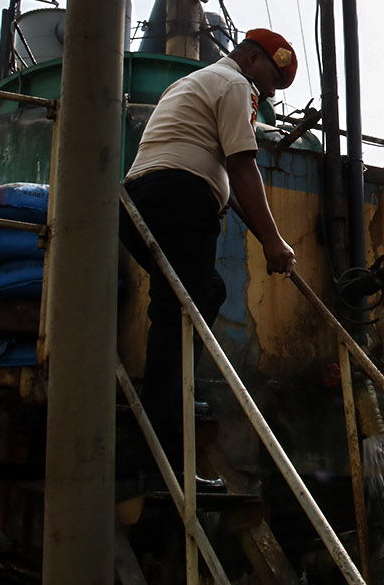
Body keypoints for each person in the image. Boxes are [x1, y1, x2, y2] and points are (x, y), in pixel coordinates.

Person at [118, 27, 298, 486]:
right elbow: (242, 164)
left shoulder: (193, 81)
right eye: (269, 82)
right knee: (181, 320)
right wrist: (273, 240)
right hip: (181, 201)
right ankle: (159, 462)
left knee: (198, 298)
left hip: (139, 199)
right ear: (254, 60)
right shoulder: (237, 85)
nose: (264, 92)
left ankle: (166, 419)